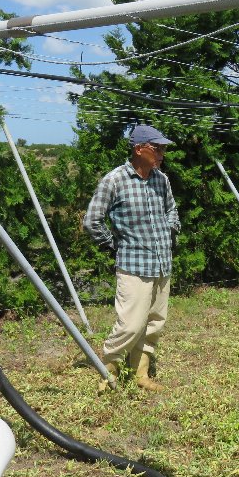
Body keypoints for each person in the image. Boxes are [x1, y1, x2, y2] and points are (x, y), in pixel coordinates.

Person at [83, 124, 180, 392]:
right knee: (130, 324)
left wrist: (170, 228)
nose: (161, 153)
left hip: (162, 263)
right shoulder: (114, 180)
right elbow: (92, 220)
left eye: (163, 149)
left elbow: (172, 210)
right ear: (139, 149)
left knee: (154, 323)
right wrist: (114, 244)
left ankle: (141, 373)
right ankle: (108, 371)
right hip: (133, 265)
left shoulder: (162, 180)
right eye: (156, 148)